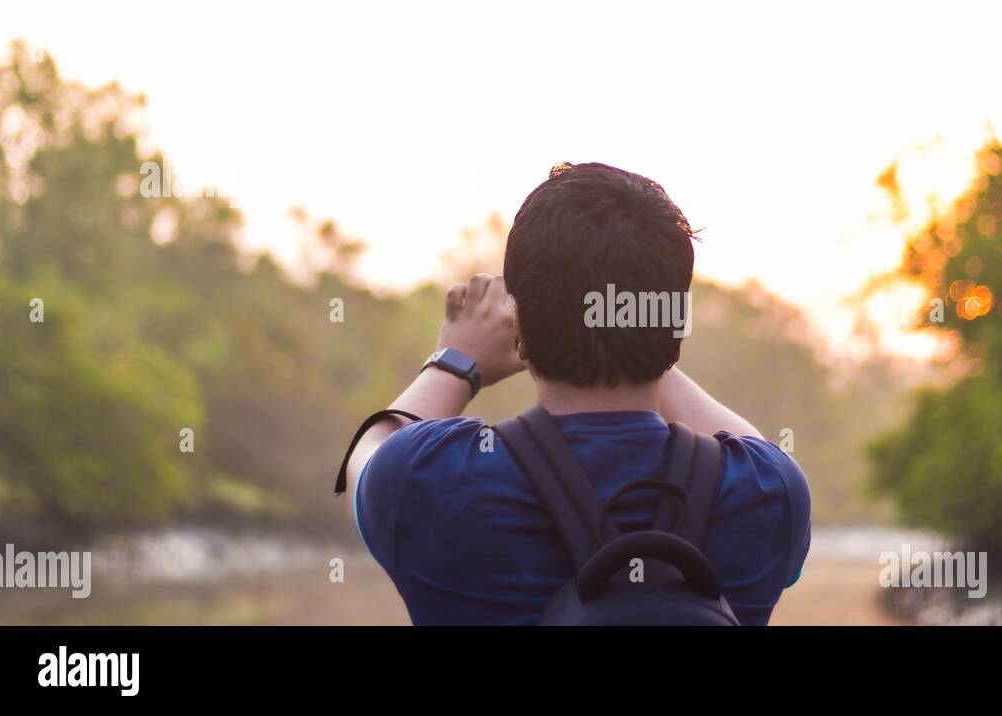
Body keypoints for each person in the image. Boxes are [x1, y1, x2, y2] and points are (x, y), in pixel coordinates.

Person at [346, 162, 810, 625]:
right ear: (675, 325)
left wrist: (454, 361)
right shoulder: (769, 493)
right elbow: (756, 448)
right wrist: (640, 340)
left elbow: (367, 454)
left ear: (519, 328)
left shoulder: (430, 480)